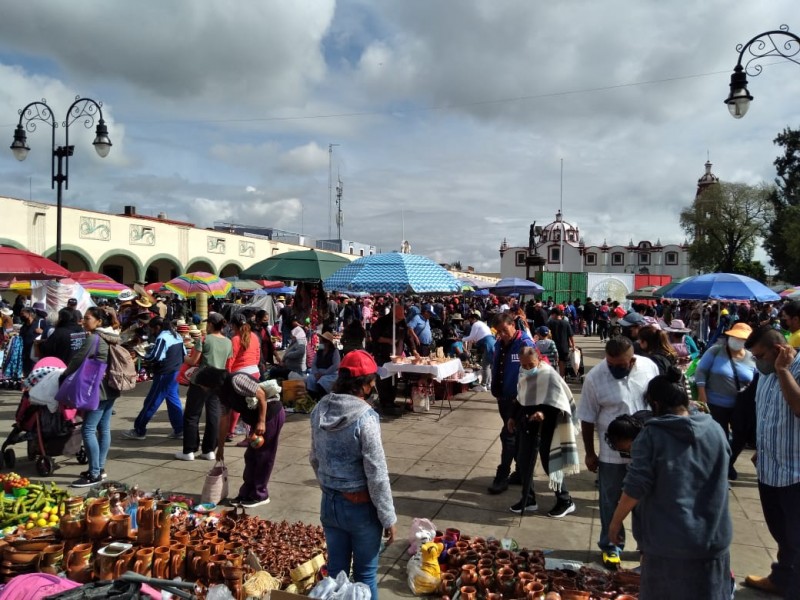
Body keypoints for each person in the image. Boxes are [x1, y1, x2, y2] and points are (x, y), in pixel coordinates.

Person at [608, 369, 733, 599]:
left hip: (668, 545)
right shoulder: (715, 429)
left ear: (655, 404)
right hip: (714, 540)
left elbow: (636, 486)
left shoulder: (651, 436)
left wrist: (615, 523)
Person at [309, 350, 397, 600]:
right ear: (365, 385)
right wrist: (388, 517)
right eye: (372, 381)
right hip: (360, 508)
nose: (374, 386)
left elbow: (314, 458)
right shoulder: (365, 417)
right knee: (365, 577)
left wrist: (329, 487)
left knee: (336, 576)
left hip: (330, 504)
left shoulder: (320, 409)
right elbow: (377, 473)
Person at [576, 336, 659, 569]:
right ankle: (611, 546)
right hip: (611, 454)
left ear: (631, 360)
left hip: (645, 450)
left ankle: (646, 547)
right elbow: (587, 418)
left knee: (645, 502)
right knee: (610, 501)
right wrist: (590, 453)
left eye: (620, 366)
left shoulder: (649, 367)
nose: (614, 370)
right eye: (610, 364)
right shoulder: (595, 377)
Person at [742, 326, 800, 596]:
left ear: (777, 351)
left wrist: (783, 371)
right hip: (769, 468)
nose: (757, 361)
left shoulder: (790, 370)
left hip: (795, 472)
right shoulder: (764, 375)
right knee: (780, 532)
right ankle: (781, 578)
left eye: (760, 355)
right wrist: (761, 449)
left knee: (796, 537)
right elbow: (766, 414)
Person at [196, 369, 285, 508]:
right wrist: (220, 447)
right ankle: (246, 492)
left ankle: (260, 495)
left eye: (203, 385)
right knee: (250, 456)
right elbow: (224, 420)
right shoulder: (221, 393)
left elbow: (261, 395)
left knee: (264, 456)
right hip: (255, 420)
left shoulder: (236, 380)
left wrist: (261, 422)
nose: (203, 389)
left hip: (270, 415)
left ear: (210, 381)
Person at [507, 346, 578, 517]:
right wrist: (512, 417)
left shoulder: (548, 374)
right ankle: (528, 499)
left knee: (550, 464)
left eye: (531, 365)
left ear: (538, 359)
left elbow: (559, 403)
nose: (527, 369)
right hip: (527, 424)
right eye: (524, 365)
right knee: (524, 463)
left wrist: (543, 413)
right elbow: (520, 397)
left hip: (547, 426)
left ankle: (565, 500)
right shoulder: (523, 372)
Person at [66, 307, 122, 487]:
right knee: (103, 429)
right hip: (111, 388)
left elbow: (77, 360)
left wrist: (63, 375)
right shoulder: (110, 335)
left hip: (98, 389)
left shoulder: (94, 338)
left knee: (88, 430)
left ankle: (94, 472)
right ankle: (100, 468)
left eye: (88, 318)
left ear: (98, 321)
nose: (83, 321)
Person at [694, 322, 755, 480]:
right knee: (719, 437)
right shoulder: (715, 351)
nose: (737, 340)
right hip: (715, 404)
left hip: (740, 406)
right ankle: (719, 468)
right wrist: (702, 394)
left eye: (741, 338)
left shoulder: (752, 358)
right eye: (734, 337)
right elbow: (701, 371)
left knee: (740, 436)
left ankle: (728, 462)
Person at [175, 312, 232, 461]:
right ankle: (209, 450)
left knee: (192, 415)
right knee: (213, 415)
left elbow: (194, 361)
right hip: (218, 380)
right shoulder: (228, 341)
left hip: (201, 380)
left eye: (207, 323)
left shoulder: (204, 339)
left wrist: (183, 356)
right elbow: (227, 363)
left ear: (211, 325)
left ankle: (189, 450)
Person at [488, 312, 534, 494]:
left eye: (505, 330)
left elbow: (534, 371)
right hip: (503, 398)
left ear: (513, 325)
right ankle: (521, 472)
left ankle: (502, 475)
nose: (502, 335)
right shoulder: (499, 343)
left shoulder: (525, 344)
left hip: (519, 401)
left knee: (508, 435)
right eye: (498, 332)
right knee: (516, 437)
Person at [122, 317, 185, 440]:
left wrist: (144, 355)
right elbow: (183, 354)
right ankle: (180, 429)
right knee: (173, 401)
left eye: (151, 328)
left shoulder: (162, 338)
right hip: (175, 372)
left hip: (164, 374)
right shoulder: (177, 335)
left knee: (152, 401)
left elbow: (156, 357)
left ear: (157, 327)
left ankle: (139, 430)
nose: (151, 331)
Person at [371, 303, 417, 416]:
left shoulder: (402, 323)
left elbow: (408, 338)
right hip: (382, 355)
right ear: (393, 314)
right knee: (383, 379)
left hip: (396, 357)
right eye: (398, 317)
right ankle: (384, 402)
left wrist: (414, 350)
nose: (400, 319)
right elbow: (375, 336)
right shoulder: (381, 322)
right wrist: (388, 341)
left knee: (394, 379)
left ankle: (391, 400)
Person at [225, 313, 262, 443]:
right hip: (254, 372)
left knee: (237, 406)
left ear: (233, 325)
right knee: (251, 405)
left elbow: (230, 360)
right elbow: (257, 356)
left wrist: (228, 376)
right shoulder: (254, 337)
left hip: (239, 374)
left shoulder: (234, 339)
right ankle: (248, 433)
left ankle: (232, 432)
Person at [463, 311, 495, 392]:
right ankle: (488, 384)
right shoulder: (482, 324)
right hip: (491, 343)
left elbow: (472, 336)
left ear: (474, 319)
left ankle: (484, 385)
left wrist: (462, 339)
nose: (470, 322)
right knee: (488, 366)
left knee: (485, 366)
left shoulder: (476, 324)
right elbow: (476, 337)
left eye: (470, 320)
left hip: (488, 344)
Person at [306, 331, 341, 399]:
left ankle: (322, 399)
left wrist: (323, 373)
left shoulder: (334, 351)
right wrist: (316, 373)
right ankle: (312, 398)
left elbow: (335, 365)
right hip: (318, 372)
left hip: (330, 373)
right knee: (310, 379)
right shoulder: (320, 349)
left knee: (322, 382)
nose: (320, 342)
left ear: (327, 342)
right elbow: (314, 363)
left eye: (322, 341)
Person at [546, 307, 574, 378]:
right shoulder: (566, 323)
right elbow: (571, 336)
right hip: (564, 347)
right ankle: (562, 378)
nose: (551, 316)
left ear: (554, 314)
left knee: (553, 363)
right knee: (562, 363)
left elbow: (548, 335)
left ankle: (554, 378)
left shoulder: (550, 323)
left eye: (552, 315)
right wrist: (573, 346)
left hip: (553, 346)